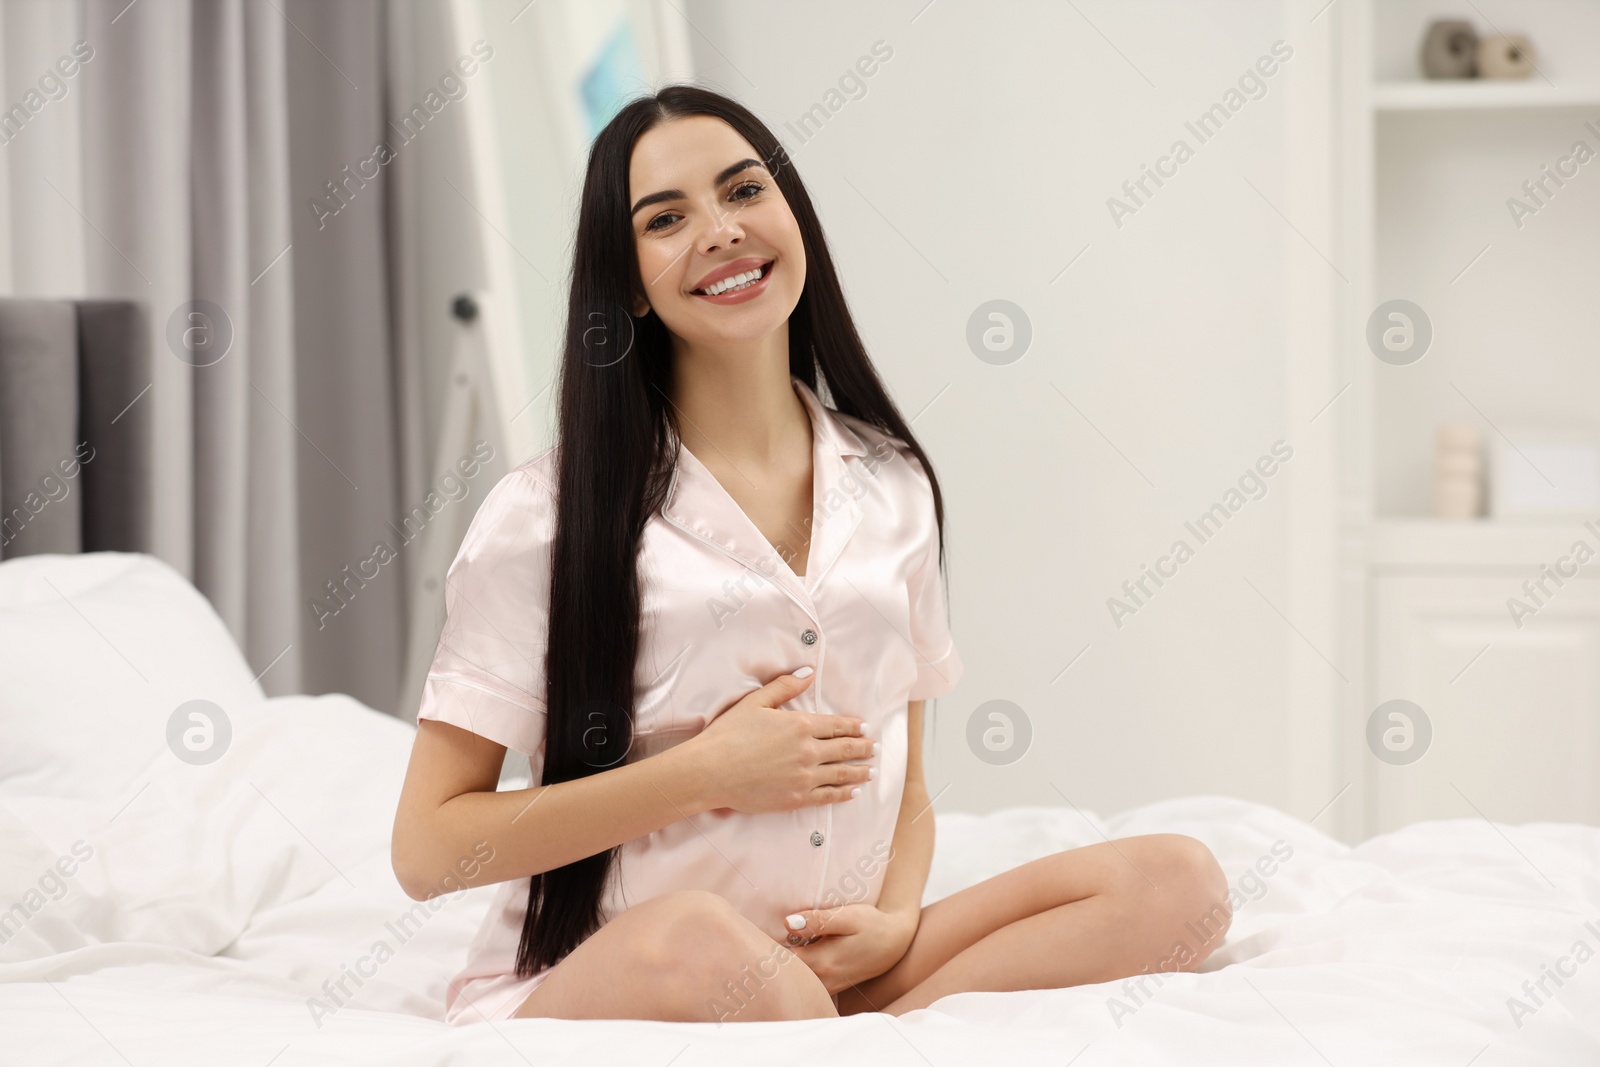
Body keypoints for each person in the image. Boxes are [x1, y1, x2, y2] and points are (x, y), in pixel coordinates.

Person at [390, 84, 1231, 1026]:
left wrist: (897, 914)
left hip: (831, 973)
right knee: (703, 942)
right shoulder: (544, 519)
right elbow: (427, 848)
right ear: (627, 283)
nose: (719, 229)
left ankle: (836, 1033)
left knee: (1177, 885)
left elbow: (904, 774)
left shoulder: (894, 482)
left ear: (793, 216)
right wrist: (703, 774)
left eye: (745, 191)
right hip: (629, 975)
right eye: (666, 219)